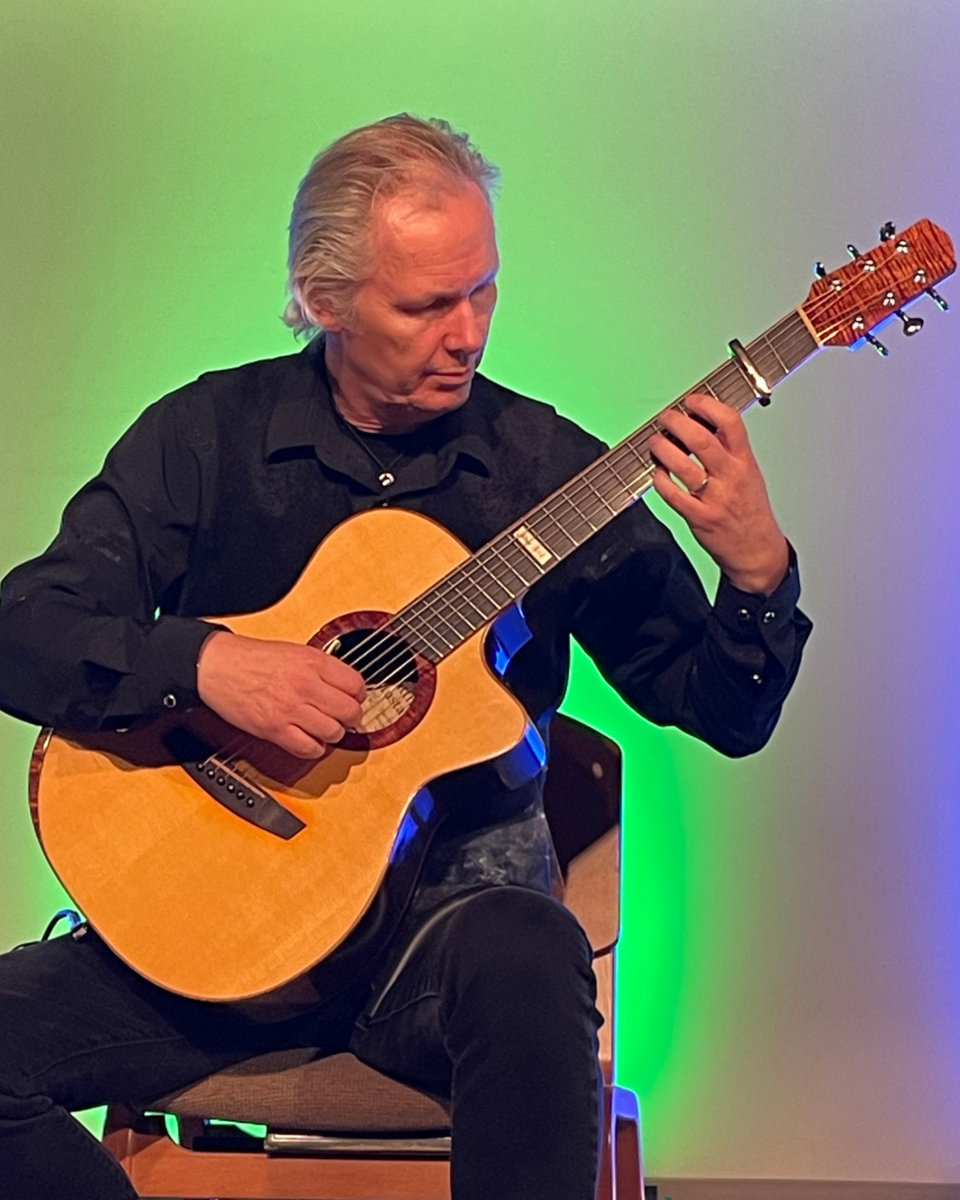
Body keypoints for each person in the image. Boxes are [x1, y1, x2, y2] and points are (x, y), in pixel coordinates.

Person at [0, 114, 810, 1200]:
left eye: (484, 289)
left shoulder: (546, 473)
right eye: (428, 305)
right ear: (322, 299)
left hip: (436, 954)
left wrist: (757, 572)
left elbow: (722, 710)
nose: (468, 333)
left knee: (531, 950)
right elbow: (28, 629)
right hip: (204, 951)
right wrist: (209, 665)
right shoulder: (205, 438)